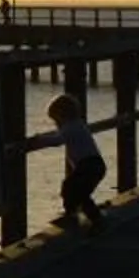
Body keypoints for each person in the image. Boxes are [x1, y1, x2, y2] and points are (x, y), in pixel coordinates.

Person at [48, 91, 106, 232]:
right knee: (80, 192)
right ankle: (93, 218)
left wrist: (36, 141)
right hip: (95, 165)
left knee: (70, 188)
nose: (56, 124)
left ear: (63, 116)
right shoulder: (78, 124)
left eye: (56, 120)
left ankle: (73, 215)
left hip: (88, 165)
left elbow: (57, 140)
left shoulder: (70, 127)